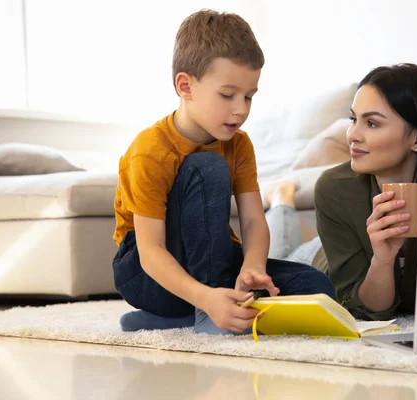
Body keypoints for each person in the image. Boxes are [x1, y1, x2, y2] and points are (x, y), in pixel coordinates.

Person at [111, 9, 335, 334]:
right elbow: (150, 252)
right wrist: (207, 296)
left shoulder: (239, 145)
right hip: (147, 273)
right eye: (228, 95)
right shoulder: (149, 151)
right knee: (207, 168)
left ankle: (182, 318)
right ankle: (204, 310)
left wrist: (253, 267)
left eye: (249, 96)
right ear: (185, 86)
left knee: (316, 287)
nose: (240, 109)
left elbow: (254, 221)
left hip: (216, 260)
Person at [261, 63, 417, 322]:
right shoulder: (335, 187)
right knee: (275, 267)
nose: (352, 135)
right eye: (353, 119)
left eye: (371, 123)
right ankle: (281, 199)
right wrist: (383, 259)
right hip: (316, 262)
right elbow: (363, 312)